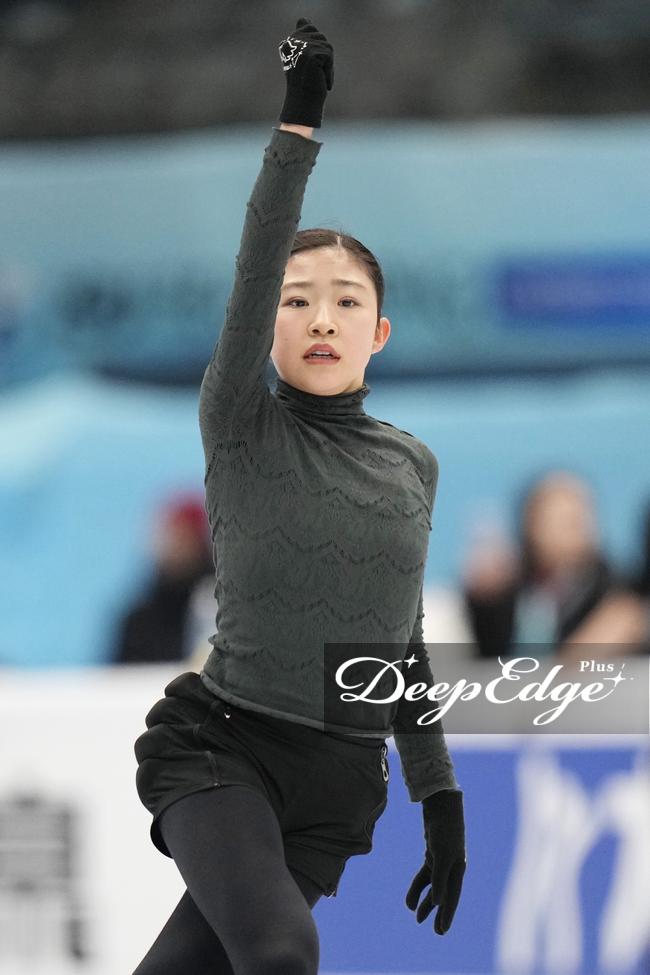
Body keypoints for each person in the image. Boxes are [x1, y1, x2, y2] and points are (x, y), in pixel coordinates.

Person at [133, 18, 466, 975]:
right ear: (266, 327)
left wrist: (438, 793)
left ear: (381, 331)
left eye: (346, 300)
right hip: (225, 746)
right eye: (297, 299)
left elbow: (396, 634)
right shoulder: (240, 418)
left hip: (338, 786)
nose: (322, 316)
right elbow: (256, 257)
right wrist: (299, 125)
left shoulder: (412, 463)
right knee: (280, 951)